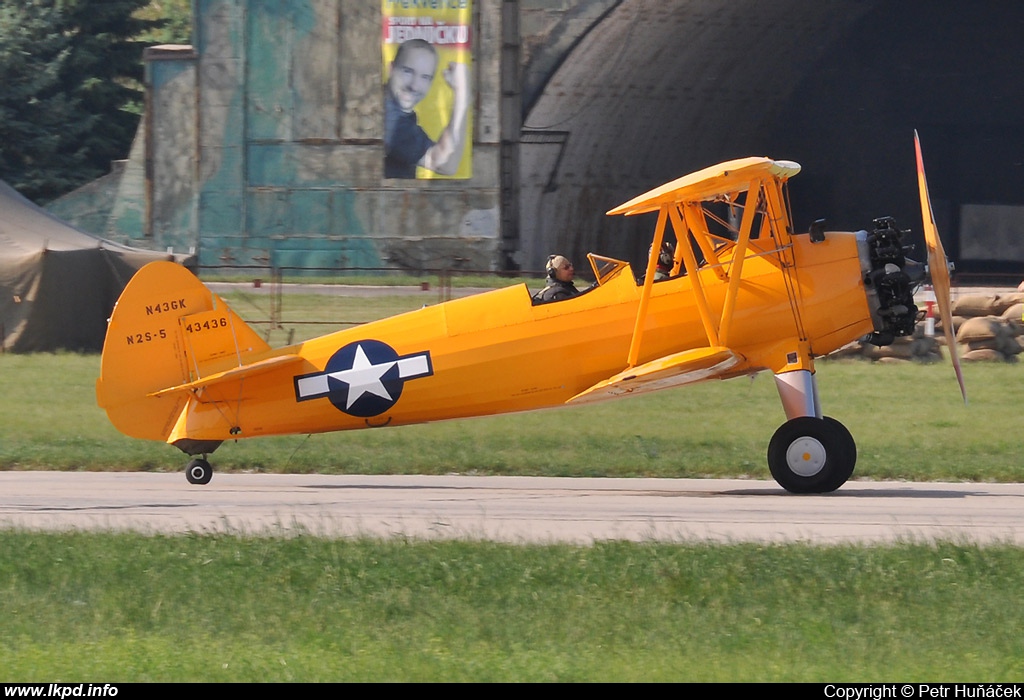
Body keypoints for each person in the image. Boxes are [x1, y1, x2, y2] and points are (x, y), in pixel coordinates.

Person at [384, 38, 470, 179]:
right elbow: (445, 163)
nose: (414, 86)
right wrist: (463, 94)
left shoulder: (394, 112)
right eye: (408, 71)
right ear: (391, 69)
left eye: (425, 77)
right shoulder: (390, 118)